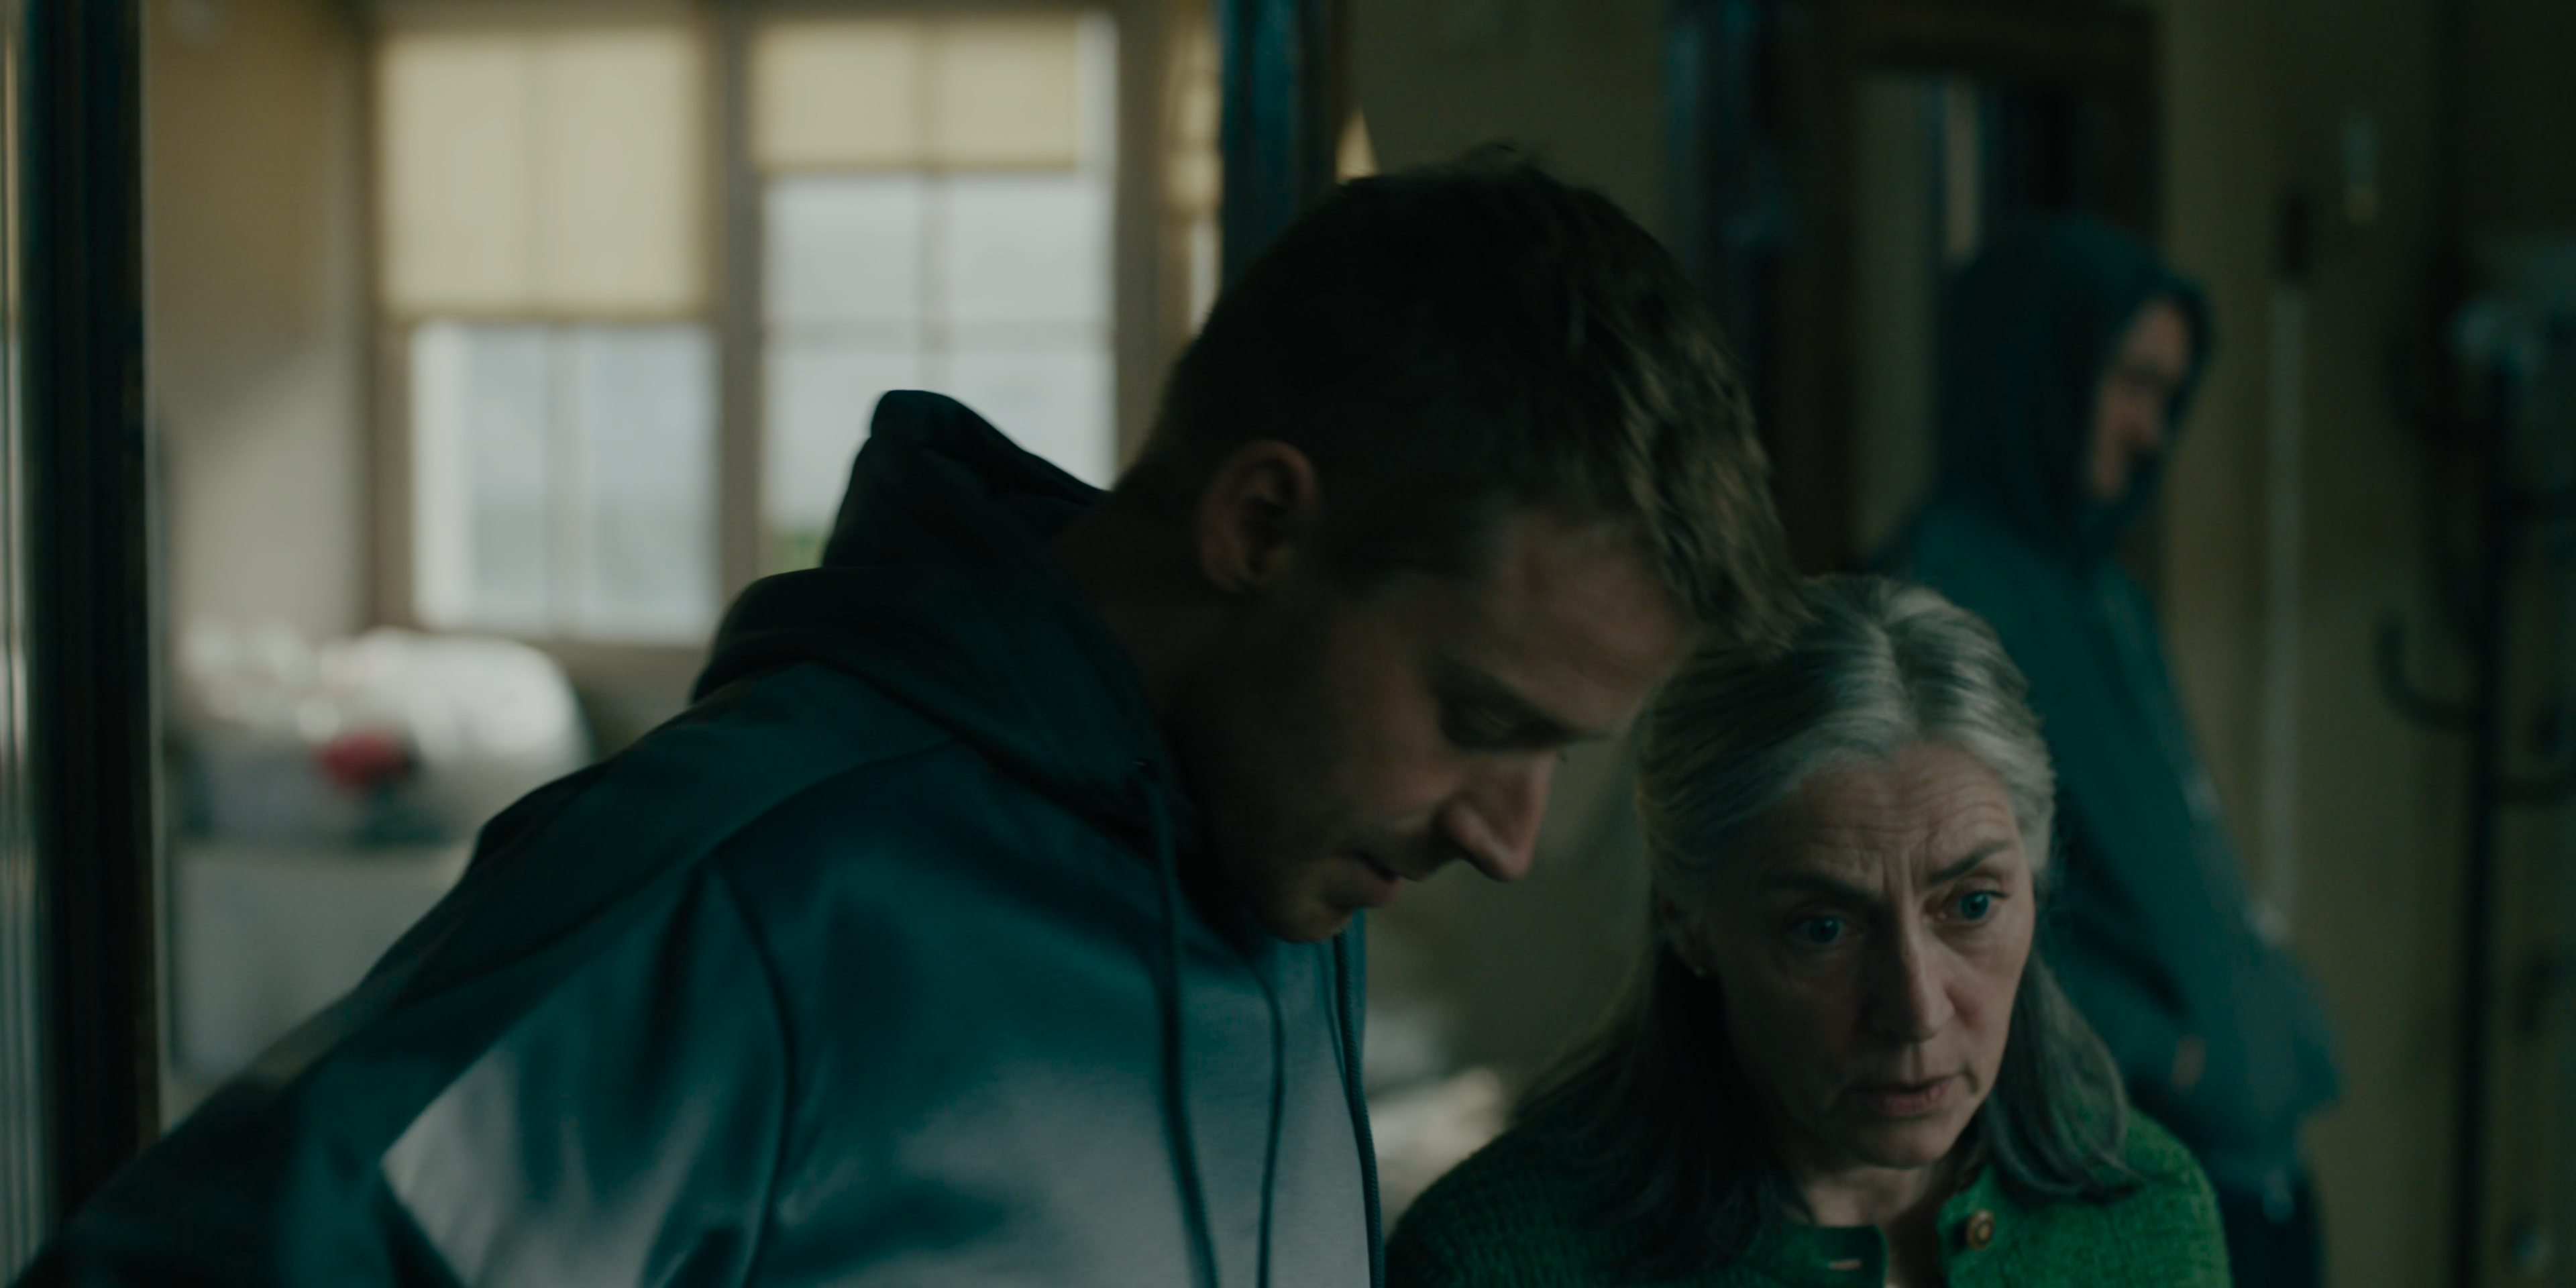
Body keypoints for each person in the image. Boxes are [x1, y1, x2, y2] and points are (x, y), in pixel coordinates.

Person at [30, 156, 1797, 1287]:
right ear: (1262, 526)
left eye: (1557, 751)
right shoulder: (759, 886)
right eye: (1480, 717)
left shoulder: (1281, 878)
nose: (1506, 835)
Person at [1387, 575, 2229, 1287]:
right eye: (1824, 928)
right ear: (1685, 917)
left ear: (2034, 885)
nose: (1916, 1010)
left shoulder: (2148, 1216)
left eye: (1972, 906)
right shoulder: (1495, 1262)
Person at [1882, 216, 2339, 1285]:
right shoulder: (1947, 592)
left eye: (2168, 395)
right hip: (2121, 1170)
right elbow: (1946, 911)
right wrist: (2162, 1053)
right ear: (2040, 370)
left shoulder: (2106, 592)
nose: (2151, 431)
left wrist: (2274, 1007)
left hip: (2250, 1166)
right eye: (2130, 383)